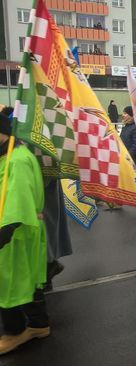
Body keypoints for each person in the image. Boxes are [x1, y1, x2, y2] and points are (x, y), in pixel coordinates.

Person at [0, 113, 50, 355]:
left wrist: (4, 234)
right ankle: (39, 324)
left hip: (16, 233)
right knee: (27, 280)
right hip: (18, 232)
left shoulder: (17, 160)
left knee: (10, 282)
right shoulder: (9, 156)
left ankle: (16, 330)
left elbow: (18, 205)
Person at [119, 106, 136, 176]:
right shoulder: (126, 127)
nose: (123, 115)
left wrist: (127, 155)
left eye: (125, 113)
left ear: (131, 115)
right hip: (127, 160)